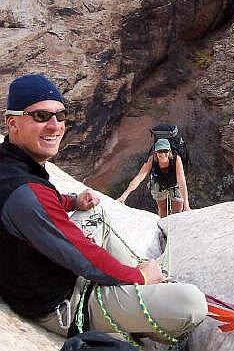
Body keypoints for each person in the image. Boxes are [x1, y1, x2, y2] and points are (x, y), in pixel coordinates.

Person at [0, 74, 207, 344]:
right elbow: (83, 257)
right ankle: (141, 295)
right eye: (40, 116)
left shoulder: (11, 168)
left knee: (93, 213)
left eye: (60, 115)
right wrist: (138, 277)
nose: (55, 126)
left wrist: (73, 202)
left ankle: (140, 286)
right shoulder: (26, 192)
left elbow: (39, 207)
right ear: (13, 124)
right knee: (190, 304)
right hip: (65, 304)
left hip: (48, 274)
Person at [117, 138, 190, 218]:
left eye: (165, 151)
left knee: (177, 212)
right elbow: (139, 178)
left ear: (169, 151)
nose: (162, 154)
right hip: (159, 183)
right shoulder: (151, 160)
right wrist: (124, 196)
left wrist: (186, 205)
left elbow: (181, 181)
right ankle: (163, 225)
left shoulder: (176, 159)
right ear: (155, 152)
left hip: (175, 184)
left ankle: (175, 227)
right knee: (163, 210)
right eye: (159, 151)